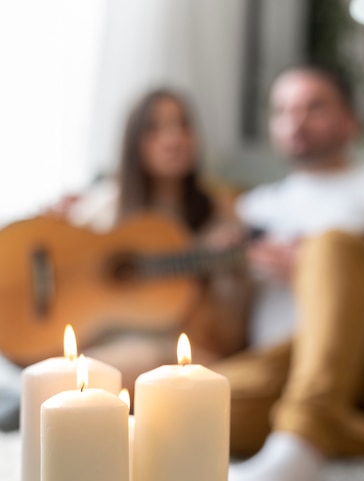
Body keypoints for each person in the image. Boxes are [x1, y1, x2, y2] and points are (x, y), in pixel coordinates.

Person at [216, 65, 364, 481]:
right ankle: (345, 428)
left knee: (331, 246)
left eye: (314, 106)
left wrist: (311, 269)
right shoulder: (255, 208)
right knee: (194, 404)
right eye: (283, 110)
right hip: (289, 367)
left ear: (351, 120)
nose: (296, 120)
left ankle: (302, 437)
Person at [52, 88, 252, 395]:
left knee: (146, 364)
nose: (173, 139)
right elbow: (58, 267)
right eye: (155, 128)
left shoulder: (221, 215)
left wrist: (231, 278)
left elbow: (233, 335)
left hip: (183, 353)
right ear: (134, 142)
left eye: (182, 125)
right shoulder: (104, 206)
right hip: (107, 348)